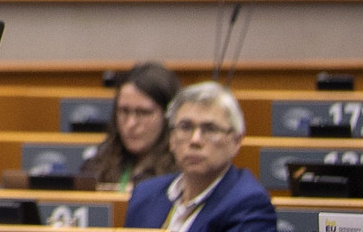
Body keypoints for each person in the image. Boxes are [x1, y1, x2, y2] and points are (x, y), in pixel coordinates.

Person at [124, 82, 275, 232]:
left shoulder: (248, 203)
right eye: (185, 127)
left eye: (210, 129)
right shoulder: (145, 194)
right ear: (171, 138)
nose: (195, 140)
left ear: (235, 141)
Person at [82, 62, 180, 190]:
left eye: (143, 113)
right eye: (124, 111)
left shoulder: (180, 176)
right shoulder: (96, 165)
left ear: (168, 117)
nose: (131, 124)